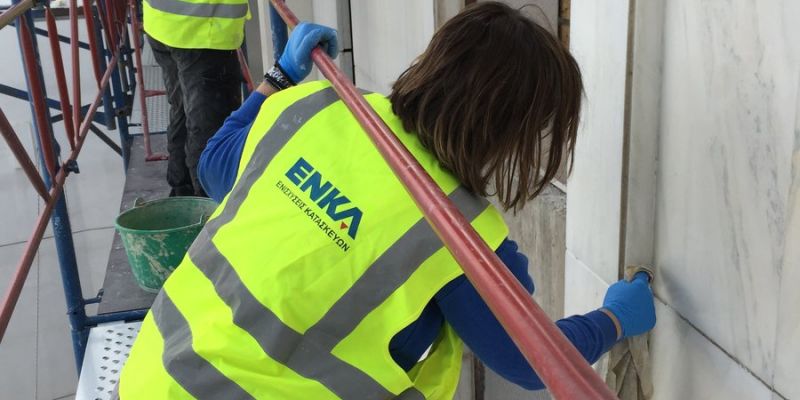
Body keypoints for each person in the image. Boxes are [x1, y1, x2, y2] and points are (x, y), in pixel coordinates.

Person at [120, 3, 656, 398]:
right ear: (510, 131)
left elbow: (215, 165)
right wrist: (613, 320)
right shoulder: (463, 234)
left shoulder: (318, 106)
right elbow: (530, 361)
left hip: (152, 375)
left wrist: (280, 75)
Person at [142, 0, 249, 196]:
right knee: (209, 127)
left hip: (162, 21)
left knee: (183, 108)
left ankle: (182, 191)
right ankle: (207, 205)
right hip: (201, 30)